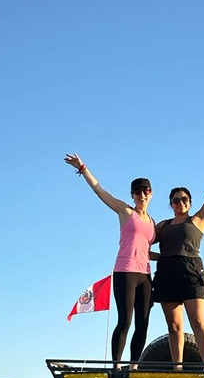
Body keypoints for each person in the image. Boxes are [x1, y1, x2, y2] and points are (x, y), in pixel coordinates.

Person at [64, 154, 155, 366]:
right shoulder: (125, 211)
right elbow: (100, 191)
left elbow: (147, 250)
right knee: (125, 321)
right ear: (132, 195)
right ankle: (116, 365)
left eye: (146, 191)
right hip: (126, 272)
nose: (142, 194)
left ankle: (134, 366)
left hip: (146, 274)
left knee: (143, 324)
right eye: (138, 191)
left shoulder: (153, 223)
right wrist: (83, 168)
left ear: (151, 194)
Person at [150, 146, 204, 366]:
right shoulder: (163, 225)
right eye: (176, 200)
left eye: (184, 199)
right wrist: (157, 258)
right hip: (166, 274)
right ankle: (177, 369)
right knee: (174, 326)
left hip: (191, 273)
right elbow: (141, 243)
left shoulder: (198, 220)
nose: (181, 203)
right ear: (171, 204)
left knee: (197, 321)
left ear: (190, 202)